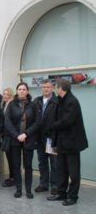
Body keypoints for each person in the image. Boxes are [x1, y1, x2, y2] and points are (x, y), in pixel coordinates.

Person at [46, 78, 88, 206]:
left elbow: (66, 121)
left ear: (60, 88)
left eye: (55, 86)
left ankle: (73, 196)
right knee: (61, 170)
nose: (54, 88)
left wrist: (52, 125)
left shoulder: (72, 101)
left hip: (72, 143)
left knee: (73, 172)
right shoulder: (61, 100)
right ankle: (61, 193)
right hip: (62, 142)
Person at [5, 82, 40, 199]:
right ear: (17, 91)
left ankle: (28, 190)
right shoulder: (11, 105)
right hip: (15, 140)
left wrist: (26, 134)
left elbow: (37, 122)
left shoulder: (33, 105)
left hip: (28, 139)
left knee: (28, 165)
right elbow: (8, 122)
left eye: (24, 89)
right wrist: (17, 135)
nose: (22, 91)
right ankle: (18, 189)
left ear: (27, 91)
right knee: (16, 164)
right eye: (20, 89)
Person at [33, 79, 58, 195]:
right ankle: (43, 184)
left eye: (48, 87)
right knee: (42, 162)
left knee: (54, 163)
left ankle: (55, 185)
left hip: (52, 137)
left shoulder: (57, 101)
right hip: (39, 137)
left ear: (52, 88)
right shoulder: (36, 101)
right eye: (43, 87)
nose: (45, 89)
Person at [0, 88, 15, 188]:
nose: (5, 96)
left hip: (11, 136)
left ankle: (13, 177)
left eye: (8, 95)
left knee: (12, 158)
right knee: (9, 158)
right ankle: (11, 176)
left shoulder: (11, 105)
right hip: (5, 135)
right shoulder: (4, 105)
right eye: (4, 94)